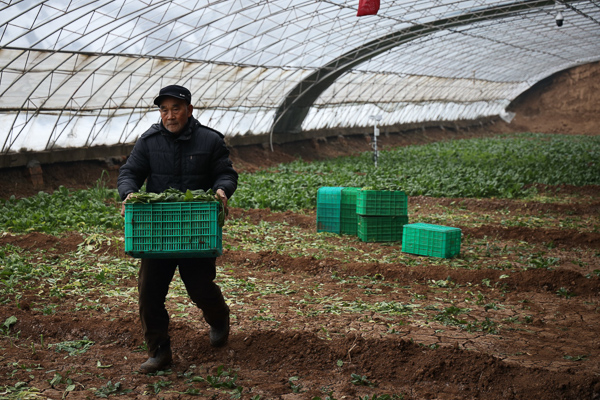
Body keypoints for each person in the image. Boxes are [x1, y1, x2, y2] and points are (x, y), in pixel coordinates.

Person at [117, 85, 238, 374]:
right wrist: (129, 192)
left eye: (176, 108)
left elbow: (226, 172)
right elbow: (129, 172)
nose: (169, 115)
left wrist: (222, 190)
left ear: (189, 110)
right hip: (158, 229)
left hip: (196, 227)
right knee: (149, 292)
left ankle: (218, 316)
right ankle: (159, 352)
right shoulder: (148, 141)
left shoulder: (209, 140)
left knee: (199, 287)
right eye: (164, 109)